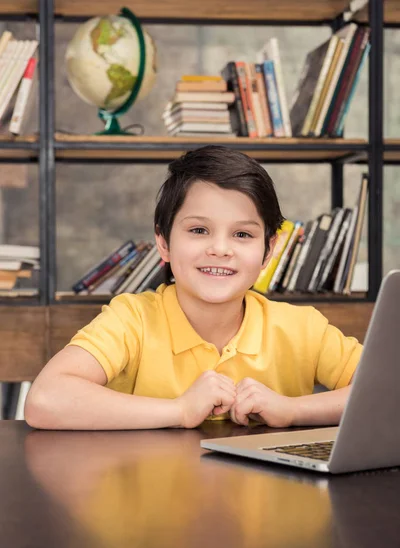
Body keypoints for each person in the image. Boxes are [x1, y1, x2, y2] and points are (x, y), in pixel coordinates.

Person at [24, 145, 363, 431]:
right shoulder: (132, 320)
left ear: (268, 251)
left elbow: (388, 390)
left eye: (242, 234)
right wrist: (180, 410)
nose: (220, 249)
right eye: (199, 230)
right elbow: (45, 398)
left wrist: (292, 410)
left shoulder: (302, 328)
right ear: (164, 242)